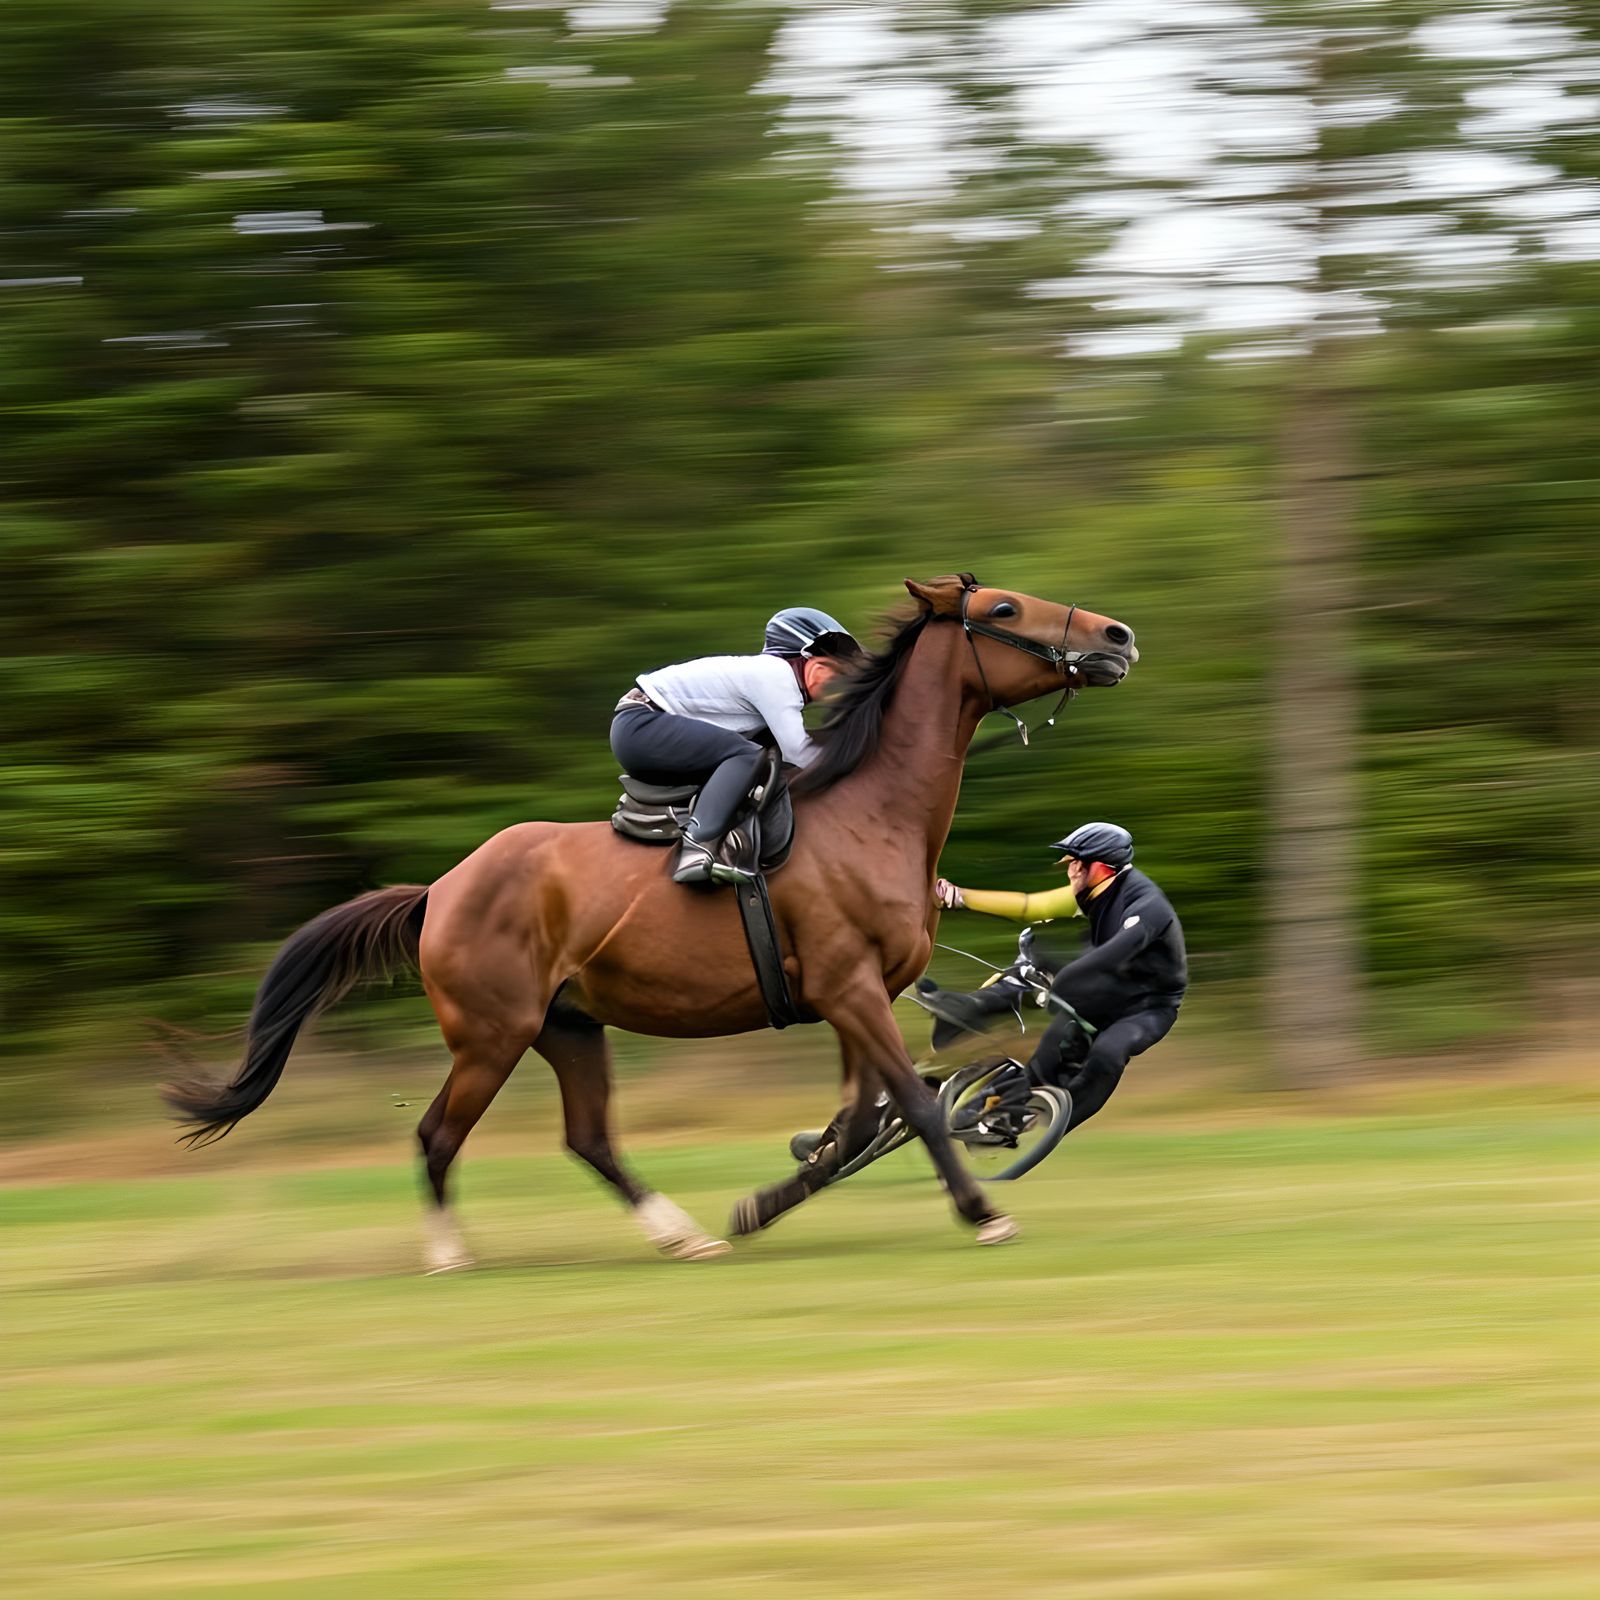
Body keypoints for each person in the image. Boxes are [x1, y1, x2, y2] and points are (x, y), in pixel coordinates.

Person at [929, 821, 1186, 1133]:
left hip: (1147, 1007)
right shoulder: (1092, 891)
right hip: (1106, 989)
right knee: (1048, 1056)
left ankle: (1052, 1125)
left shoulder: (1147, 905)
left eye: (1076, 864)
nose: (1070, 870)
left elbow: (1116, 952)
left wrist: (1063, 984)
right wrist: (957, 896)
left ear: (1101, 868)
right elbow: (1030, 905)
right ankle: (984, 1099)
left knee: (1108, 1053)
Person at [612, 606, 863, 883]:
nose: (838, 686)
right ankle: (697, 846)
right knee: (747, 757)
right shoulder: (775, 675)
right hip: (641, 727)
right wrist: (856, 767)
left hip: (642, 727)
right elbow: (798, 751)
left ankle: (724, 838)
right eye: (837, 673)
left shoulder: (769, 678)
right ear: (814, 664)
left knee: (758, 757)